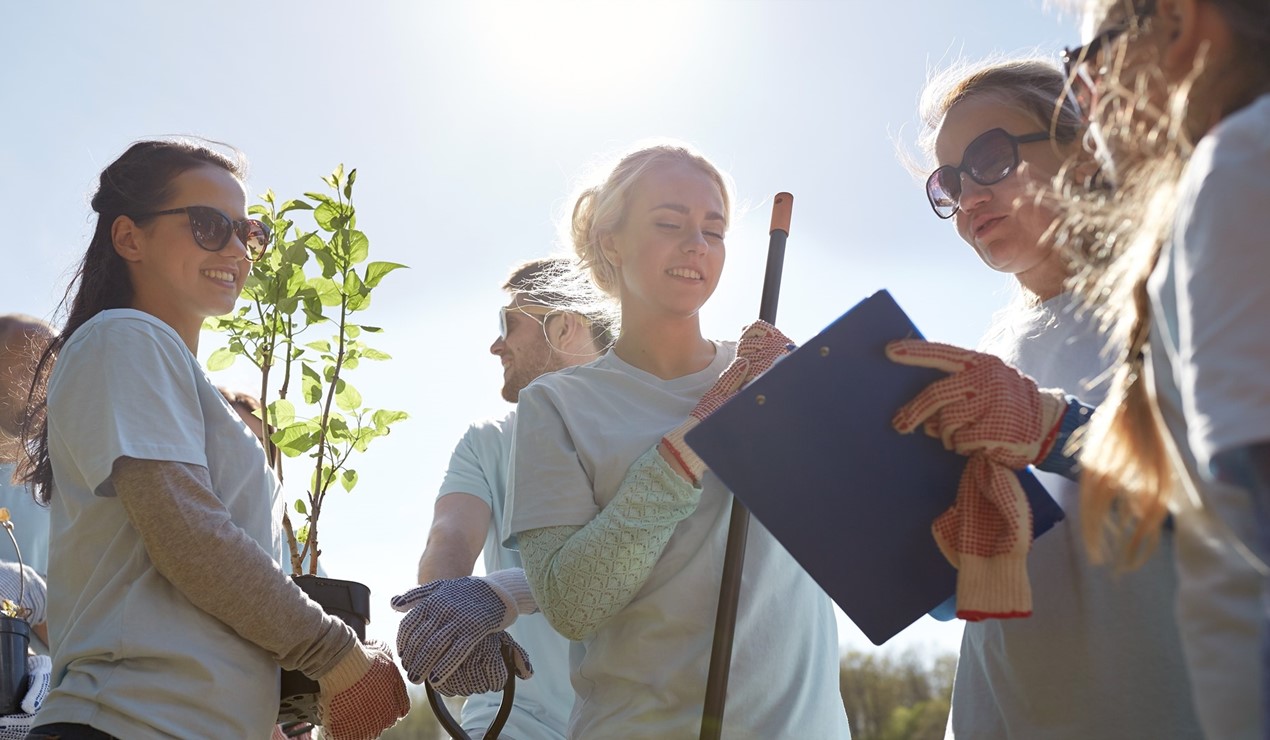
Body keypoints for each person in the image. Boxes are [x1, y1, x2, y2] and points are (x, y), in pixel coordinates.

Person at [890, 1, 1269, 736]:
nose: (968, 195)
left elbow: (1225, 511)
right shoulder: (988, 356)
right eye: (947, 185)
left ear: (1085, 147)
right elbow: (971, 590)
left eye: (990, 158)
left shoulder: (1178, 287)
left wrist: (1053, 426)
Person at [17, 139, 409, 740]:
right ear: (129, 239)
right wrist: (335, 654)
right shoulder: (125, 337)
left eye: (249, 231)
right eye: (207, 225)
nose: (236, 249)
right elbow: (190, 535)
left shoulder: (176, 371)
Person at [503, 143, 851, 738]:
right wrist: (683, 454)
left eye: (713, 231)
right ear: (610, 241)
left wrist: (830, 409)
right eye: (670, 223)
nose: (697, 244)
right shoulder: (556, 405)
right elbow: (569, 601)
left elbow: (866, 535)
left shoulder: (775, 377)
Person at [392, 257, 612, 739]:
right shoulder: (487, 441)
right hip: (510, 717)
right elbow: (449, 534)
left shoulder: (634, 433)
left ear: (565, 326)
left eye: (509, 324)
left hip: (628, 716)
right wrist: (447, 604)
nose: (496, 345)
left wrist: (501, 593)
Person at [0, 315, 54, 651]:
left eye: (50, 361)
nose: (42, 375)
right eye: (28, 360)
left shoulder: (63, 469)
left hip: (47, 685)